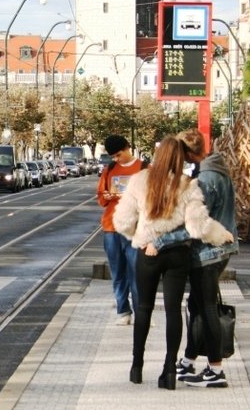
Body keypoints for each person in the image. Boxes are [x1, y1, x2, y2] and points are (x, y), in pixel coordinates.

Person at [113, 136, 234, 389]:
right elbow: (197, 227)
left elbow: (122, 221)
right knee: (173, 311)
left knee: (143, 309)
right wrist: (223, 235)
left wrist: (140, 238)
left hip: (147, 253)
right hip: (178, 256)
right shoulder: (187, 185)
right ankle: (169, 371)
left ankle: (137, 367)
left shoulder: (139, 181)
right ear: (180, 159)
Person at [172, 129, 240, 388]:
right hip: (219, 248)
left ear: (189, 152)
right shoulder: (217, 169)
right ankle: (189, 361)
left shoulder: (206, 178)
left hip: (208, 250)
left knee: (207, 307)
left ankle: (216, 369)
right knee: (197, 305)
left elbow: (199, 220)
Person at [96, 134, 145, 326]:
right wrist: (107, 196)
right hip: (111, 226)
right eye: (113, 157)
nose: (116, 159)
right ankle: (123, 310)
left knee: (136, 272)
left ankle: (141, 312)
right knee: (118, 272)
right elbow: (101, 198)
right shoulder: (109, 169)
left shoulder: (143, 168)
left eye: (118, 155)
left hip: (134, 227)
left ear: (127, 148)